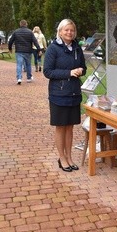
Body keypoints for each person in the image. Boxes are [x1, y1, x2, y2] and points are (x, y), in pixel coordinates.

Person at [43, 19, 86, 172]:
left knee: (70, 127)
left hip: (74, 92)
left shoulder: (77, 48)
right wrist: (68, 73)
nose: (69, 33)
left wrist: (80, 70)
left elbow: (84, 67)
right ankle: (62, 158)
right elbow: (47, 72)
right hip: (58, 94)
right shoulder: (53, 49)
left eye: (72, 30)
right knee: (61, 127)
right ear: (60, 32)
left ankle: (69, 157)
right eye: (66, 30)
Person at [8, 20, 41, 84]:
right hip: (28, 51)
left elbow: (11, 41)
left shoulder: (16, 32)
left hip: (19, 51)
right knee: (28, 64)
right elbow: (35, 41)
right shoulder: (30, 32)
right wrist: (39, 49)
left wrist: (10, 48)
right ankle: (29, 77)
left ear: (20, 24)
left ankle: (19, 78)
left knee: (19, 64)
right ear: (26, 24)